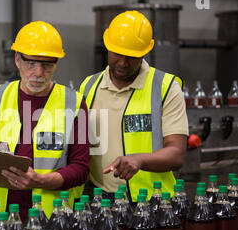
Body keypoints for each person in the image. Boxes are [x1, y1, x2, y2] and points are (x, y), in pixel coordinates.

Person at [0, 21, 90, 222]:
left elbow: (80, 168)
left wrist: (40, 180)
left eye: (46, 65)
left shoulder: (74, 103)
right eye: (31, 63)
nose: (38, 73)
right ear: (17, 60)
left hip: (51, 216)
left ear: (56, 63)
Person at [79, 11, 188, 204]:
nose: (122, 63)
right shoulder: (89, 86)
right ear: (107, 47)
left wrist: (140, 160)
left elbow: (177, 154)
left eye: (131, 56)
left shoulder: (165, 87)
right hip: (100, 198)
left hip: (154, 199)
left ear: (146, 52)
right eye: (116, 54)